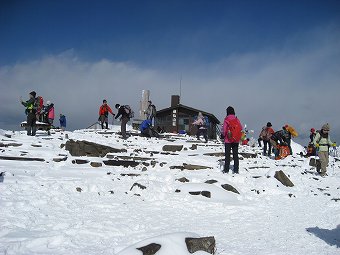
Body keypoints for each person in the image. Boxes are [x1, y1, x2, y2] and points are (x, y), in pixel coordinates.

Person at [223, 106, 242, 174]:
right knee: (235, 155)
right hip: (235, 140)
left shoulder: (226, 119)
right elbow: (241, 127)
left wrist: (224, 135)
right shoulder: (237, 119)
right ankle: (236, 170)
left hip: (228, 140)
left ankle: (226, 170)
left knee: (227, 155)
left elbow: (224, 129)